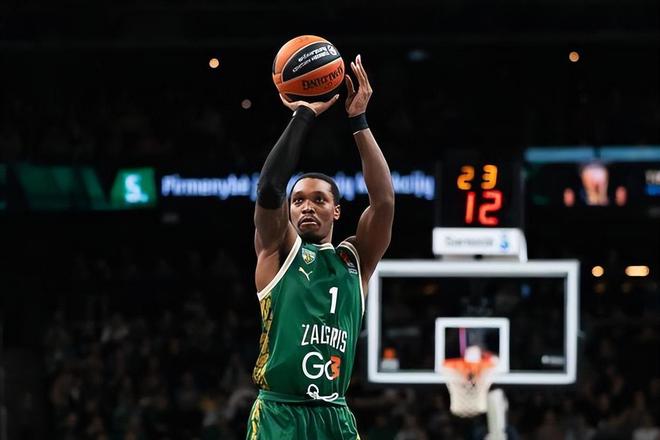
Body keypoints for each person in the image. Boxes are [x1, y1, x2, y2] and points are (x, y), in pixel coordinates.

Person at [246, 54, 395, 439]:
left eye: (319, 200)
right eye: (298, 200)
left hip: (334, 414)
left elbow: (383, 203)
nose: (307, 207)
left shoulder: (355, 259)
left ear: (337, 210)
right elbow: (269, 188)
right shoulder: (278, 251)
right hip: (279, 412)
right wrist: (303, 115)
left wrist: (358, 120)